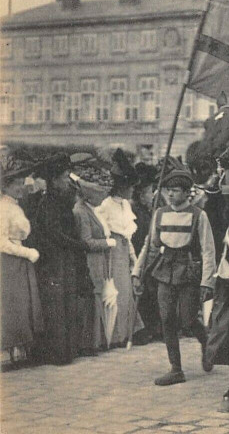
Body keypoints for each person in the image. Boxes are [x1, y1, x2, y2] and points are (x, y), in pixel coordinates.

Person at [132, 161, 216, 386]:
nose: (170, 194)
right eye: (168, 190)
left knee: (187, 319)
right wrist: (137, 273)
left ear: (187, 193)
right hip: (164, 270)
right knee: (167, 318)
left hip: (188, 270)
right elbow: (149, 246)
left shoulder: (199, 216)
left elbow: (208, 250)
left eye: (175, 190)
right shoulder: (159, 214)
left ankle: (205, 340)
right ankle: (176, 369)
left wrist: (208, 281)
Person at [28, 153, 95, 365]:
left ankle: (67, 350)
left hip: (65, 259)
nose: (68, 181)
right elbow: (54, 233)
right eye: (65, 177)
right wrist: (79, 245)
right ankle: (58, 352)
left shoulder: (60, 200)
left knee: (67, 303)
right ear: (54, 179)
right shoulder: (48, 203)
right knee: (56, 305)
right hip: (53, 260)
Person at [94, 149, 144, 347]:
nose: (132, 191)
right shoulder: (106, 205)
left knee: (126, 292)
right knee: (116, 291)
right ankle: (114, 335)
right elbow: (104, 229)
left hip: (123, 249)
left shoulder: (126, 204)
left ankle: (125, 332)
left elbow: (127, 234)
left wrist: (133, 257)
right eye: (130, 187)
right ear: (121, 186)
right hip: (112, 252)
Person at [0, 154, 43, 363]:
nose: (19, 187)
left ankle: (20, 350)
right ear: (4, 186)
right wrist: (28, 253)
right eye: (14, 184)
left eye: (20, 183)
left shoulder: (15, 205)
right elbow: (1, 242)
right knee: (11, 305)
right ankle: (8, 352)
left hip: (19, 262)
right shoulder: (3, 207)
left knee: (22, 305)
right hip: (8, 262)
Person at [72, 166, 117, 352]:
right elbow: (87, 241)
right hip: (92, 260)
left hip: (100, 260)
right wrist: (108, 243)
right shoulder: (81, 211)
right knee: (96, 296)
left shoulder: (91, 209)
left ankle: (101, 339)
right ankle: (92, 342)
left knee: (102, 295)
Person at [130, 162, 161, 344]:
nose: (152, 195)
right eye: (150, 192)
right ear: (141, 195)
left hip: (151, 256)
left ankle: (155, 327)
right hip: (141, 256)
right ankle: (148, 327)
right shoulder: (136, 211)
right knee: (145, 293)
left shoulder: (148, 210)